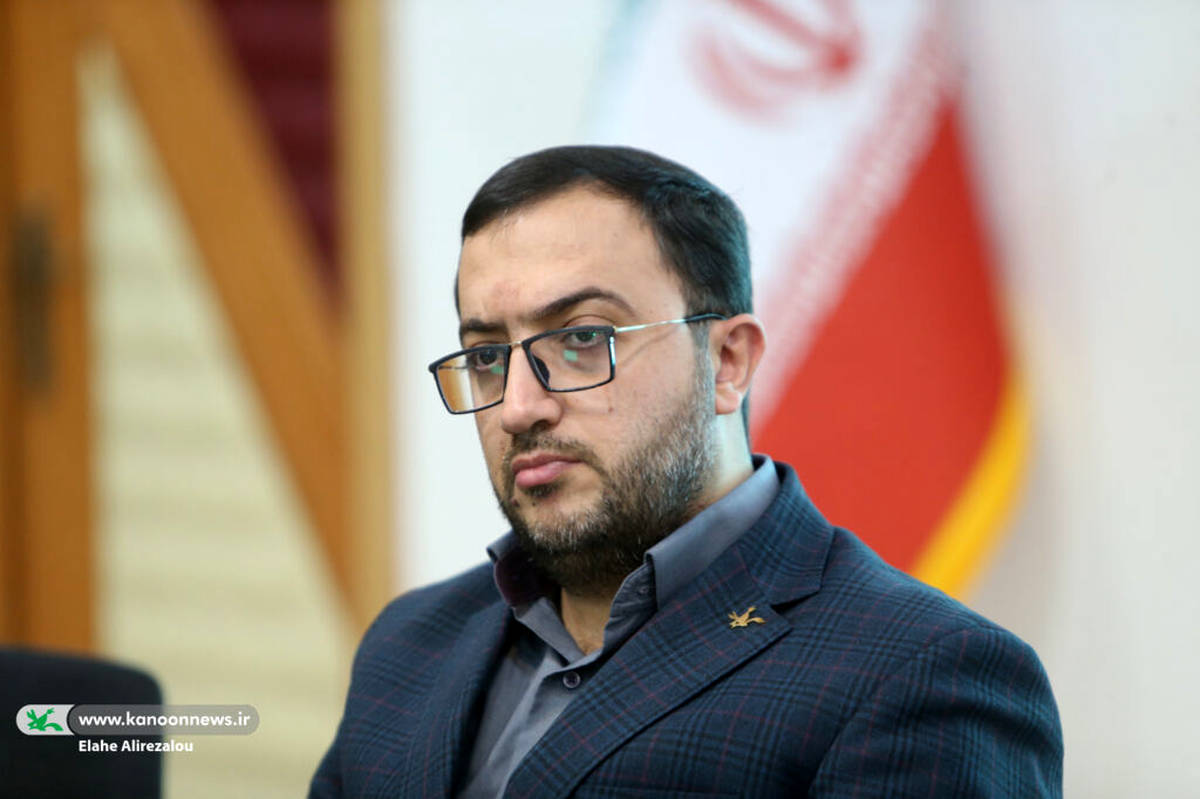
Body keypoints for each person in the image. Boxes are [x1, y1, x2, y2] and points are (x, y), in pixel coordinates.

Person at [310, 145, 1062, 798]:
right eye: (485, 356)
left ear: (727, 361)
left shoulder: (920, 674)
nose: (518, 408)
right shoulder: (408, 641)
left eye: (582, 340)